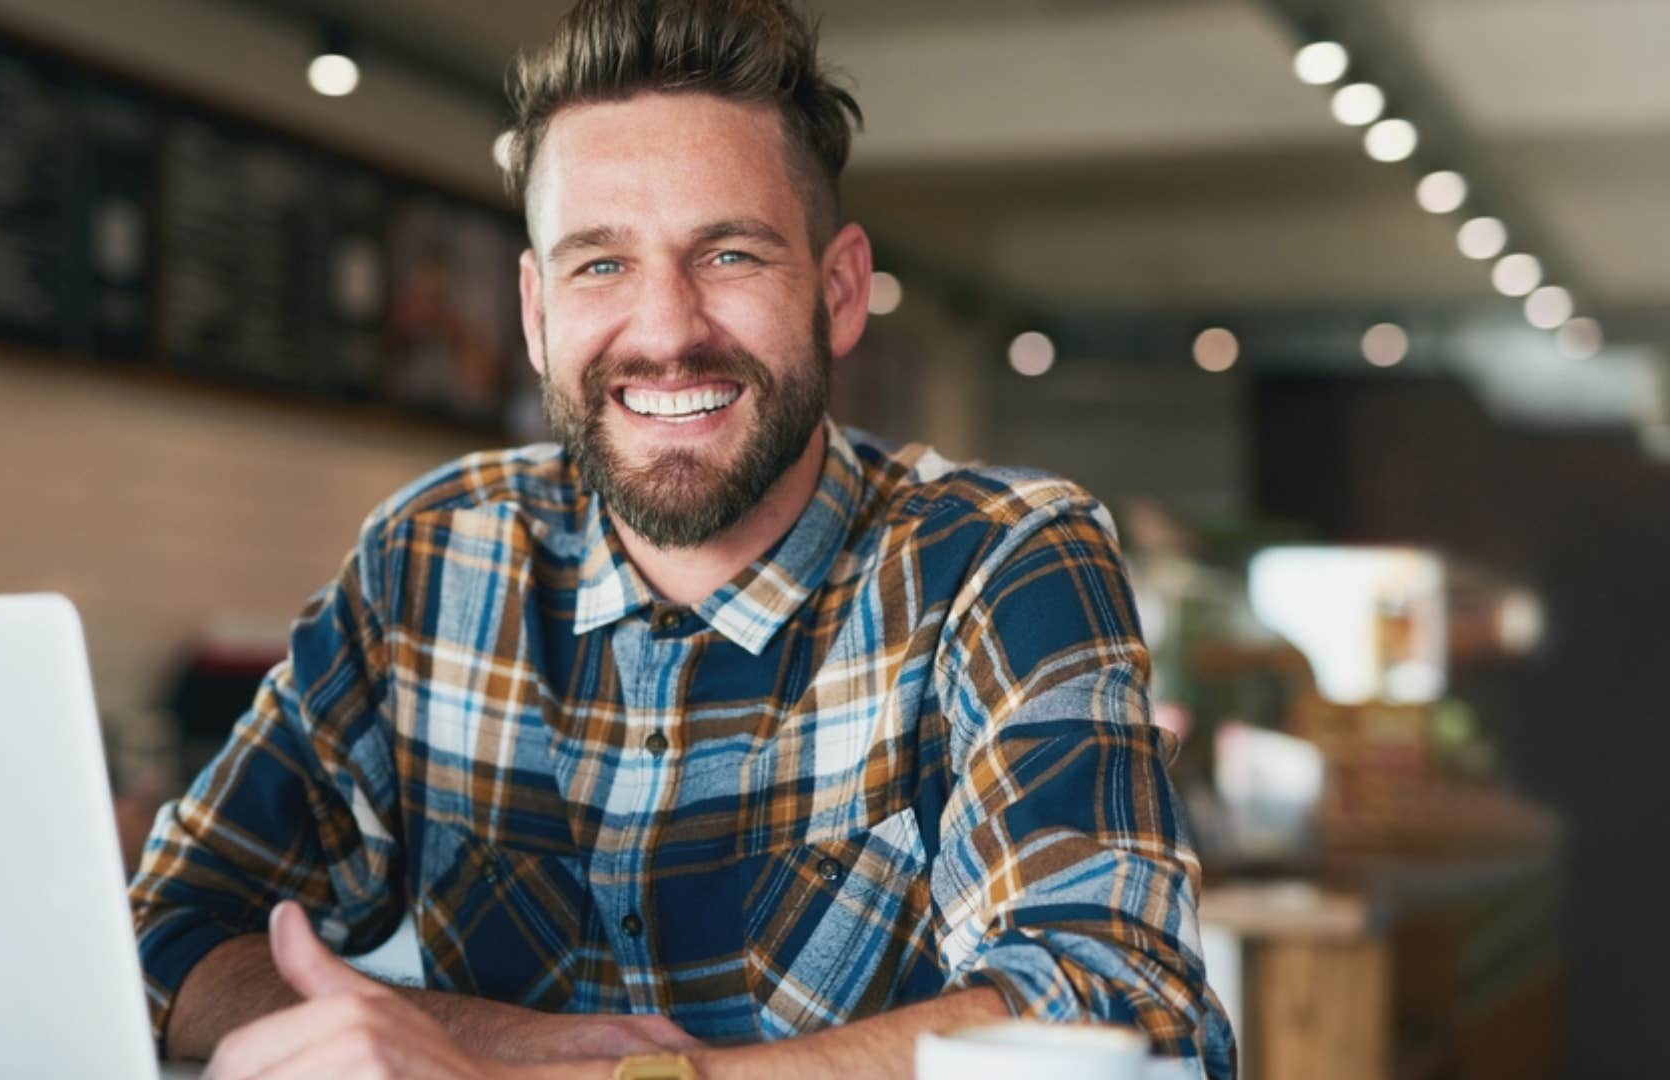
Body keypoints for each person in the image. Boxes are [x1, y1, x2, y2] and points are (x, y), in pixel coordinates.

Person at [129, 1, 1236, 1076]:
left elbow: (1122, 1015)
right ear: (535, 311)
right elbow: (166, 934)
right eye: (600, 263)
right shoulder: (432, 561)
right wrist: (490, 1040)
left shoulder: (999, 562)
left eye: (730, 256)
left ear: (840, 290)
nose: (664, 332)